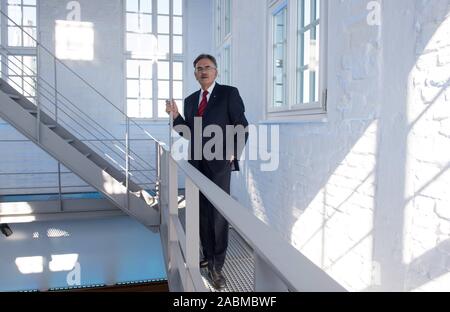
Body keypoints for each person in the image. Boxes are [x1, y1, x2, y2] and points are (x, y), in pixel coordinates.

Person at [166, 54, 248, 289]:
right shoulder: (191, 100)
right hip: (197, 165)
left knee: (217, 216)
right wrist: (175, 116)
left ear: (216, 71)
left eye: (207, 67)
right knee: (200, 213)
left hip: (219, 164)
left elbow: (242, 126)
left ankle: (217, 267)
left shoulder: (229, 94)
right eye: (199, 68)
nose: (203, 71)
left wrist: (233, 151)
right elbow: (188, 132)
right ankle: (207, 254)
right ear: (195, 74)